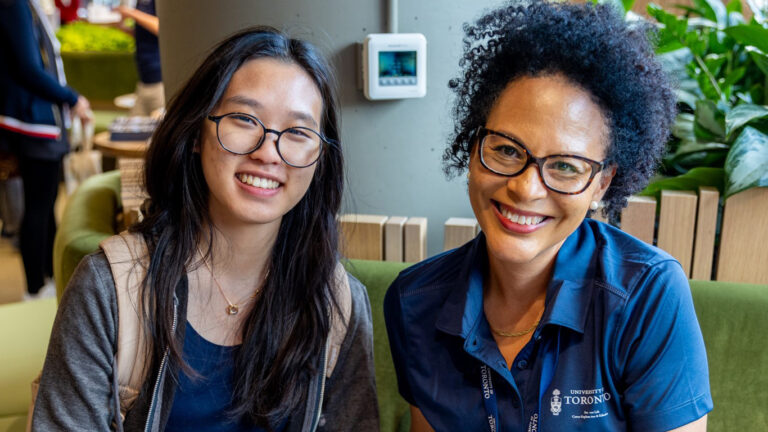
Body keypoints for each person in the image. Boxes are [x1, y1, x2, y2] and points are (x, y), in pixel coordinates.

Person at [384, 2, 712, 431]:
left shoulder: (648, 295)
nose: (525, 187)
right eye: (505, 149)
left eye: (565, 166)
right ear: (472, 148)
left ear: (601, 184)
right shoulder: (414, 302)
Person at [31, 27, 379, 431]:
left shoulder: (336, 301)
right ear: (197, 133)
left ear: (320, 158)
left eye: (298, 132)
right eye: (244, 119)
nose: (268, 152)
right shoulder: (109, 287)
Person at [0, 0, 92, 298]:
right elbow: (28, 67)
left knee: (46, 203)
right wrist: (72, 98)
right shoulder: (13, 5)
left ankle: (49, 279)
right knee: (38, 208)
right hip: (33, 122)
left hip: (36, 119)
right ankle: (36, 288)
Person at [116, 0, 164, 116]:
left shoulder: (159, 3)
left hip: (159, 81)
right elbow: (144, 35)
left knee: (159, 126)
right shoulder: (141, 3)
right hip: (143, 80)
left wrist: (131, 13)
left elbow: (163, 28)